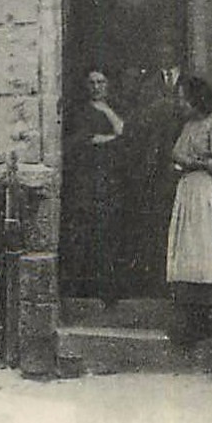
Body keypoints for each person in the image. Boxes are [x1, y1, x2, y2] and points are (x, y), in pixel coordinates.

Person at [165, 75, 212, 343]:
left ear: (197, 99)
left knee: (202, 251)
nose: (180, 103)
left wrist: (196, 162)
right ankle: (189, 321)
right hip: (187, 192)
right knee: (186, 252)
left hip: (204, 193)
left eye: (183, 98)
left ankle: (206, 322)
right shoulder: (188, 126)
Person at [62, 69, 127, 304]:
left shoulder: (114, 108)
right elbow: (81, 141)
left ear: (108, 85)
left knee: (109, 232)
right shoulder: (80, 112)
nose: (97, 87)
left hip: (110, 180)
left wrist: (108, 123)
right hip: (86, 181)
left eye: (101, 82)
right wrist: (110, 139)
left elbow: (124, 133)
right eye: (92, 83)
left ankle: (108, 289)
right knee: (84, 232)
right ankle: (79, 289)